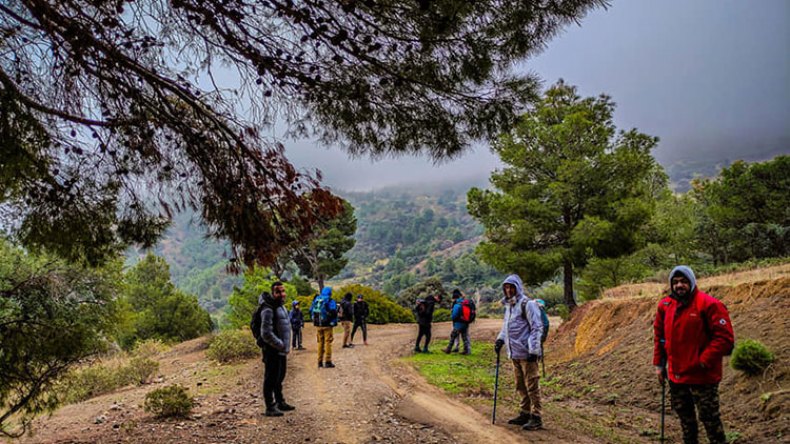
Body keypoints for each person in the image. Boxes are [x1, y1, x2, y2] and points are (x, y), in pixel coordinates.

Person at [653, 266, 734, 444]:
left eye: (683, 281)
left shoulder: (710, 304)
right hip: (676, 375)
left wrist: (703, 361)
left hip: (703, 376)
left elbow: (725, 339)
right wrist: (659, 365)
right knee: (685, 419)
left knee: (710, 419)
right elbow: (660, 337)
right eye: (675, 282)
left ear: (692, 282)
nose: (679, 285)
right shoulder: (665, 306)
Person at [494, 274, 544, 431]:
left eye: (511, 287)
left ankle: (536, 417)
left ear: (517, 288)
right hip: (514, 353)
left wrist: (534, 350)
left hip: (527, 354)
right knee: (520, 385)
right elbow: (506, 326)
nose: (508, 290)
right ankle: (524, 412)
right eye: (506, 287)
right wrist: (500, 339)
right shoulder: (509, 305)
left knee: (532, 385)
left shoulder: (527, 304)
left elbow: (537, 327)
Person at [259, 282, 295, 417]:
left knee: (279, 377)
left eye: (283, 291)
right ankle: (270, 406)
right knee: (270, 378)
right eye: (278, 292)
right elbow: (266, 333)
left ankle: (280, 402)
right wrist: (280, 344)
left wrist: (285, 346)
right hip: (271, 349)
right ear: (273, 293)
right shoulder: (268, 309)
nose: (282, 294)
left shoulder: (281, 307)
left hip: (280, 349)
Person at [310, 286, 338, 368]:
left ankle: (319, 362)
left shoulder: (317, 299)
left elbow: (311, 310)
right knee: (328, 342)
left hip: (318, 324)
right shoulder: (330, 300)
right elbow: (333, 312)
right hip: (327, 325)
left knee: (320, 342)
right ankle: (328, 361)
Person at [444, 289, 471, 355]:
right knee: (464, 337)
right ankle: (466, 350)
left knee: (453, 335)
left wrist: (453, 318)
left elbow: (454, 315)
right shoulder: (465, 303)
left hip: (458, 323)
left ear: (455, 298)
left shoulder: (457, 305)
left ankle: (448, 349)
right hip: (466, 323)